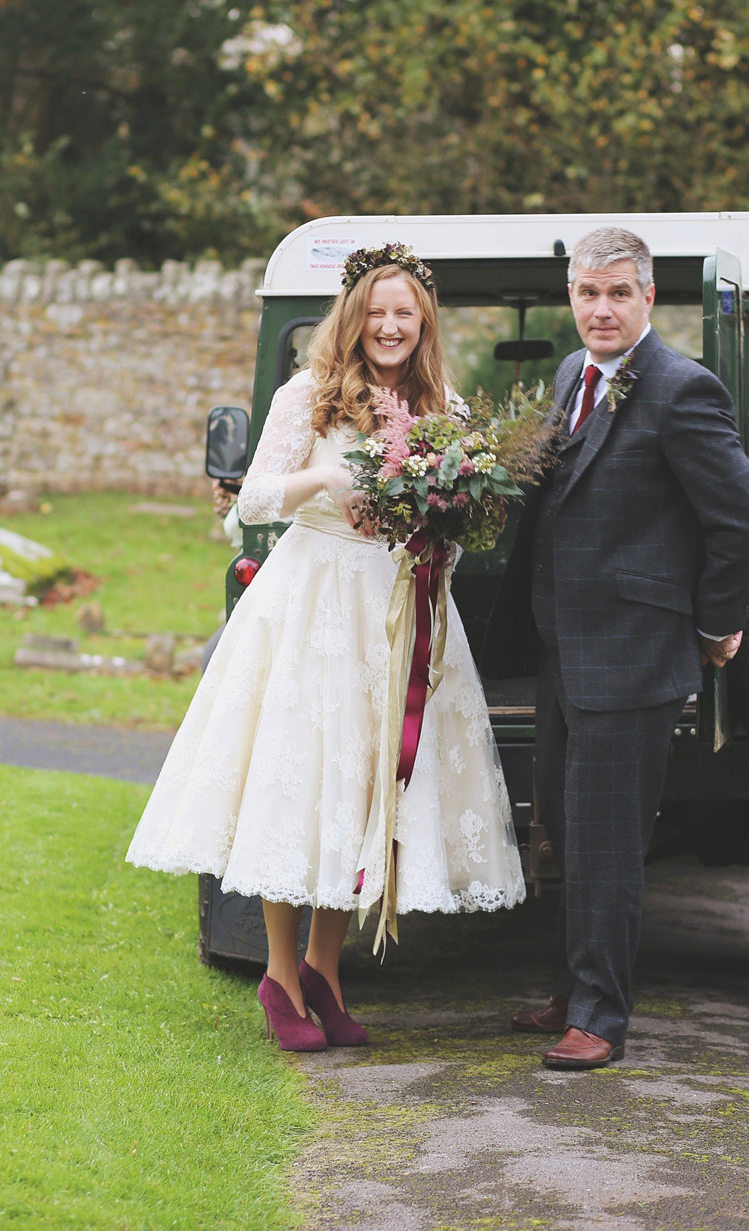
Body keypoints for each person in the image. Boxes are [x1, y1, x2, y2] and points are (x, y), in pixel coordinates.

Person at [127, 245, 525, 1051]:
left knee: (365, 787)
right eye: (376, 313)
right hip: (313, 604)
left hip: (395, 608)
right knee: (301, 784)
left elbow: (453, 513)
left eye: (404, 314)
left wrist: (443, 531)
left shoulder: (440, 402)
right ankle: (279, 976)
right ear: (353, 318)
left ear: (422, 324)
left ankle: (325, 972)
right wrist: (324, 485)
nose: (389, 327)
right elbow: (250, 505)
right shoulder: (307, 395)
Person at [480, 227, 749, 1070]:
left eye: (617, 294)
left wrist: (715, 625)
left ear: (647, 298)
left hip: (636, 655)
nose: (600, 310)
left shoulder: (684, 389)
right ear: (572, 296)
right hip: (564, 652)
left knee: (607, 845)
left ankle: (600, 1021)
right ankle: (573, 992)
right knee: (568, 836)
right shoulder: (574, 374)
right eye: (587, 294)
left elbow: (742, 523)